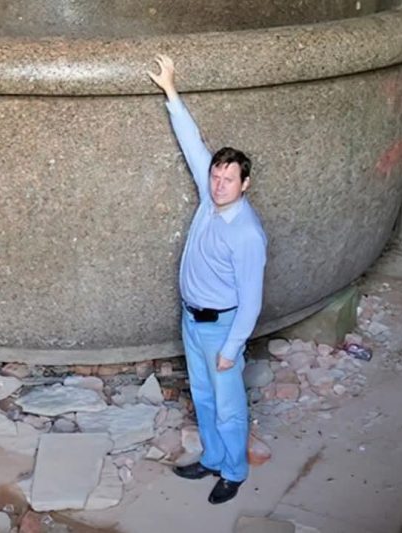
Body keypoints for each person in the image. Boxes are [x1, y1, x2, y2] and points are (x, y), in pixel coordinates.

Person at [148, 54, 268, 505]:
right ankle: (213, 459)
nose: (218, 184)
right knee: (202, 396)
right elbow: (192, 143)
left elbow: (253, 300)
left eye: (228, 179)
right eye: (216, 176)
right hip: (193, 321)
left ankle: (233, 471)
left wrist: (232, 348)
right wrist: (171, 89)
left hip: (222, 328)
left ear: (245, 184)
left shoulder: (247, 233)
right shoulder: (208, 199)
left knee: (231, 407)